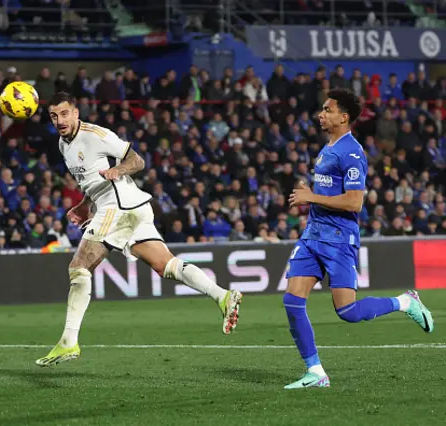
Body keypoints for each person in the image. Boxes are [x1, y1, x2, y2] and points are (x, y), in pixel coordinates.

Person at [35, 92, 243, 367]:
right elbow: (91, 180)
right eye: (53, 116)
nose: (59, 120)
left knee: (79, 267)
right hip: (131, 207)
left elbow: (137, 161)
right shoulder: (64, 144)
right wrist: (86, 204)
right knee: (165, 266)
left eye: (64, 113)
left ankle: (68, 341)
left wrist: (118, 170)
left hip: (118, 206)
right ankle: (223, 296)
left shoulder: (96, 134)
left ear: (75, 112)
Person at [285, 88, 434, 389]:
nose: (321, 114)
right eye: (322, 109)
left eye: (327, 110)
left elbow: (355, 202)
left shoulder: (352, 152)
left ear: (344, 117)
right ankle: (315, 372)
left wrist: (310, 196)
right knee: (292, 302)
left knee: (348, 312)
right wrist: (313, 199)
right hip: (313, 234)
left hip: (339, 238)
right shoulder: (328, 147)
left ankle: (405, 302)